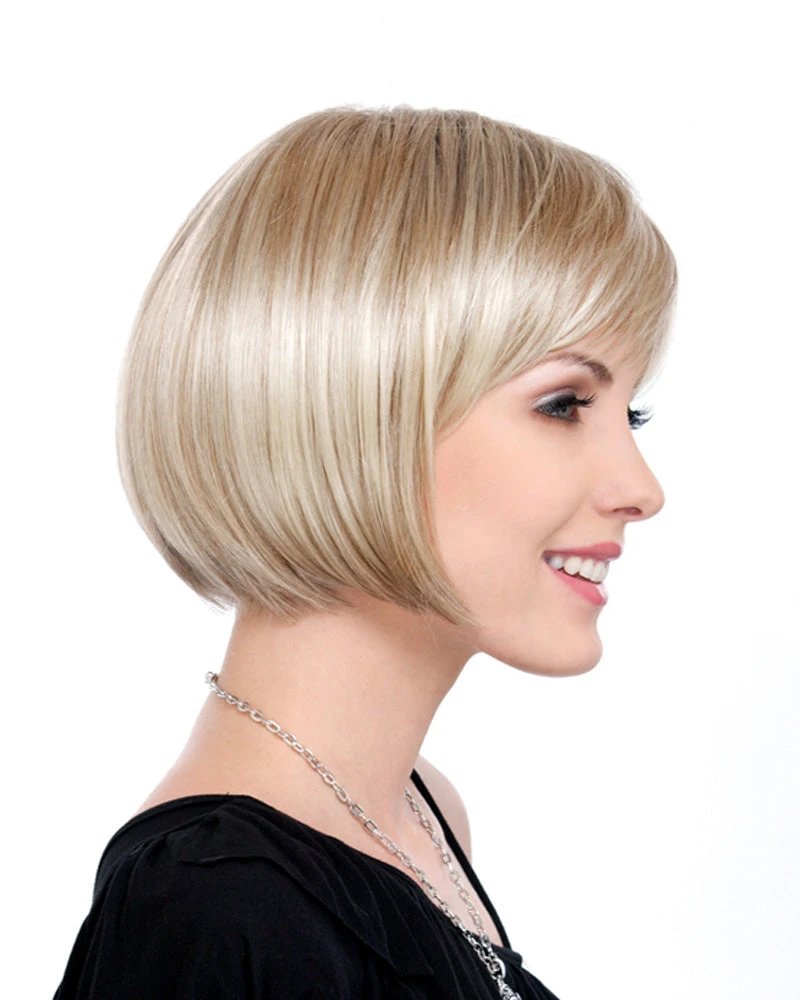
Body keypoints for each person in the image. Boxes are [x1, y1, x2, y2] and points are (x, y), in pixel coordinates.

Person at [53, 104, 677, 999]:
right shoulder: (216, 910)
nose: (641, 488)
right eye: (564, 405)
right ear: (355, 408)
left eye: (631, 413)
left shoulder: (419, 817)